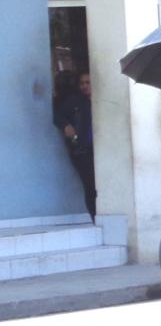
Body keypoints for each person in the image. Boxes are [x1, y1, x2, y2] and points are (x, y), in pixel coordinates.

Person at [54, 72, 97, 222]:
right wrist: (65, 125)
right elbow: (56, 115)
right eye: (82, 83)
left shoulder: (101, 101)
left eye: (88, 82)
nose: (84, 86)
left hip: (102, 151)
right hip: (82, 151)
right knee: (91, 186)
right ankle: (95, 219)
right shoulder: (75, 102)